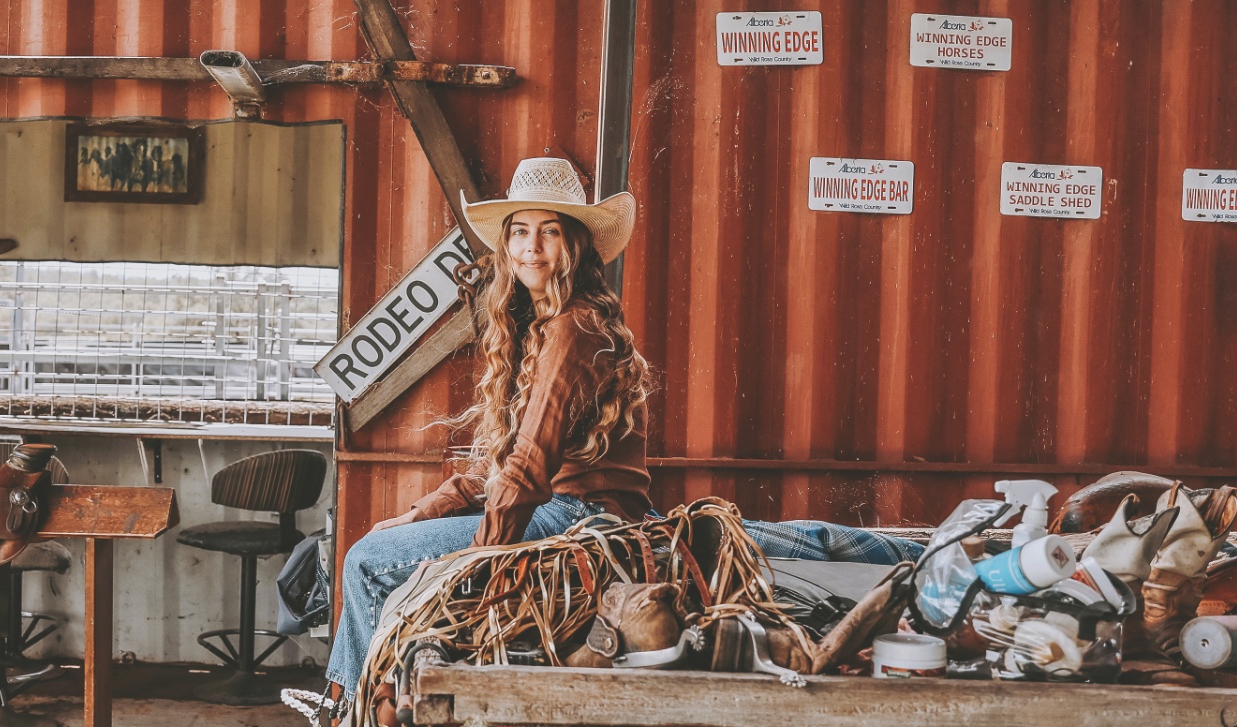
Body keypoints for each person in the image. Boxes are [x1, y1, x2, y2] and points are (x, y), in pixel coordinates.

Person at [322, 157, 917, 697]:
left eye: (550, 231)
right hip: (587, 512)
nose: (532, 247)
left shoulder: (573, 329)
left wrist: (482, 559)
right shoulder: (546, 326)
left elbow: (527, 468)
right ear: (506, 246)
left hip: (578, 518)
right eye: (521, 232)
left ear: (575, 244)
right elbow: (503, 465)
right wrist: (425, 512)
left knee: (367, 561)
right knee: (383, 544)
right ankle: (364, 721)